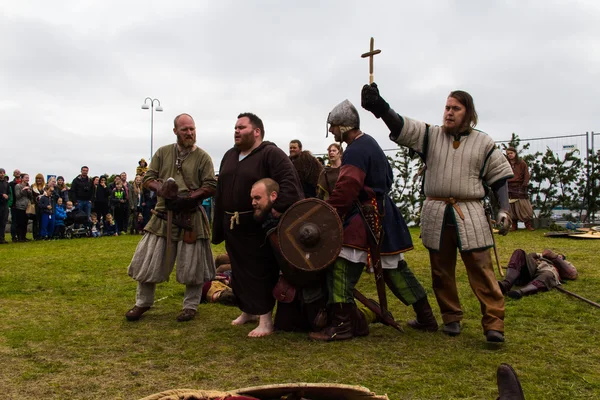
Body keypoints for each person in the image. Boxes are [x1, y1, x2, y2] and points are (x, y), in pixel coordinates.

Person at [361, 84, 513, 343]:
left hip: (470, 212)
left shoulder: (483, 142)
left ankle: (494, 323)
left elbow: (499, 179)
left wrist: (504, 209)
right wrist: (379, 107)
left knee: (481, 270)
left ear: (468, 113)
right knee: (441, 271)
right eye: (447, 107)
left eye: (456, 108)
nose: (449, 113)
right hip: (438, 212)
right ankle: (451, 318)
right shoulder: (431, 136)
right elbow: (402, 126)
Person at [309, 100, 438, 342]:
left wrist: (329, 214)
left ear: (344, 126)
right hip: (381, 213)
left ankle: (342, 326)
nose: (334, 132)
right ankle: (426, 316)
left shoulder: (357, 149)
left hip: (366, 216)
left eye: (334, 127)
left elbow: (348, 187)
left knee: (341, 268)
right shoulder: (369, 143)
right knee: (394, 270)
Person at [212, 112, 303, 337]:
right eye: (235, 127)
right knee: (239, 270)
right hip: (233, 224)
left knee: (260, 270)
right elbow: (221, 190)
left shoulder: (270, 153)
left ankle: (265, 319)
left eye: (241, 127)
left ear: (257, 131)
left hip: (257, 226)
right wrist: (219, 225)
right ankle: (248, 311)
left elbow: (290, 183)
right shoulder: (229, 155)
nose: (236, 131)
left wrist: (272, 212)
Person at [126, 113, 217, 322]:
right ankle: (143, 303)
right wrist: (162, 189)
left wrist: (189, 198)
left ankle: (190, 306)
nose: (189, 133)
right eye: (185, 129)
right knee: (149, 260)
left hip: (190, 215)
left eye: (192, 129)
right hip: (163, 213)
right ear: (175, 131)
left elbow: (211, 185)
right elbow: (148, 177)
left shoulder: (203, 157)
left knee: (192, 264)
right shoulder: (163, 152)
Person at [498, 248, 578, 299]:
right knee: (519, 252)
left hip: (548, 271)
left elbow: (572, 274)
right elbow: (530, 255)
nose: (559, 256)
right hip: (533, 268)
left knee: (547, 274)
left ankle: (521, 292)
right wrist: (539, 255)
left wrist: (555, 258)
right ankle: (506, 284)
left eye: (561, 257)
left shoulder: (566, 263)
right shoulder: (541, 256)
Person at [505, 147, 535, 231]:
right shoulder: (505, 163)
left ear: (515, 153)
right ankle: (514, 225)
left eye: (511, 153)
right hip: (509, 186)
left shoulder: (522, 163)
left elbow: (526, 174)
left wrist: (524, 184)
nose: (509, 155)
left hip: (520, 186)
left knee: (524, 206)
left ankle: (528, 225)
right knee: (511, 207)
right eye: (508, 154)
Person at [13, 173, 32, 242]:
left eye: (28, 178)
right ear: (22, 178)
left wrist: (29, 192)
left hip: (26, 206)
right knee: (20, 222)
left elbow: (30, 197)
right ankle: (19, 237)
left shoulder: (28, 186)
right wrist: (23, 190)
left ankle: (24, 237)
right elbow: (17, 196)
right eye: (26, 178)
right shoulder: (18, 186)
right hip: (20, 206)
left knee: (25, 222)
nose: (27, 179)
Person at [31, 173, 45, 240]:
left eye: (40, 178)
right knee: (36, 221)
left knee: (42, 221)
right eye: (37, 179)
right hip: (36, 206)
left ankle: (41, 234)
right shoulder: (33, 187)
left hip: (43, 206)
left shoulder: (45, 187)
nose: (38, 180)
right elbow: (31, 196)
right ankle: (35, 235)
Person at [9, 169, 22, 242]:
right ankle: (14, 237)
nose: (17, 173)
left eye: (18, 172)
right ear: (13, 174)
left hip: (22, 206)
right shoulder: (11, 184)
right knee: (14, 221)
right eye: (15, 172)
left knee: (21, 221)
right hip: (14, 205)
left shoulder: (24, 183)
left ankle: (20, 236)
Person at [0, 168, 9, 244]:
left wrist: (7, 196)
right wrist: (2, 195)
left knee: (3, 222)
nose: (2, 174)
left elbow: (9, 193)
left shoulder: (6, 183)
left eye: (3, 173)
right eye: (1, 173)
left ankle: (2, 238)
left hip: (5, 204)